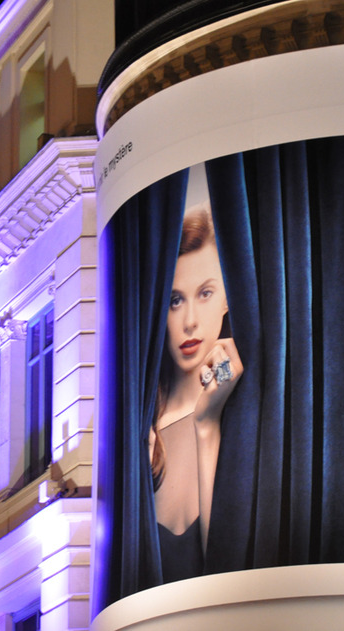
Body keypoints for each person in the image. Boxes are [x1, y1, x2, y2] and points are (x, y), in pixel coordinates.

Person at [150, 204, 243, 583]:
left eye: (205, 293)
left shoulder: (246, 399)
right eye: (175, 300)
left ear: (226, 298)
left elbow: (221, 570)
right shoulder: (144, 424)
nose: (189, 321)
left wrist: (207, 425)